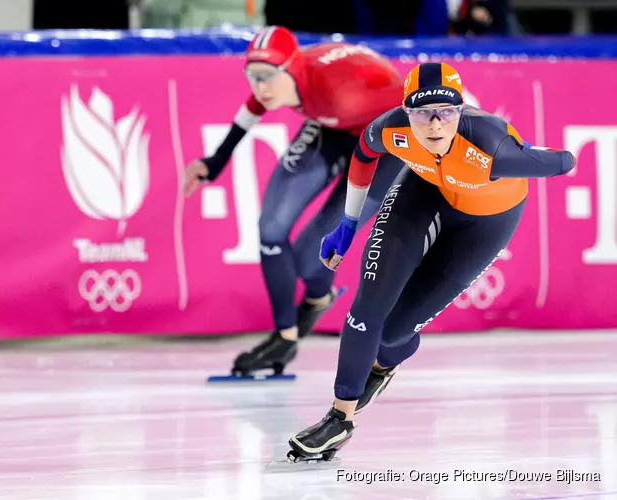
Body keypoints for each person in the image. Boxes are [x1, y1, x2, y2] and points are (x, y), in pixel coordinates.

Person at [285, 61, 576, 461]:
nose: (435, 125)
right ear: (406, 112)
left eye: (446, 112)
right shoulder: (390, 128)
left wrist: (532, 154)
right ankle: (339, 420)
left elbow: (564, 161)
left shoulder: (491, 147)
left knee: (392, 334)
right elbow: (363, 155)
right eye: (423, 113)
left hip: (485, 224)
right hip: (422, 193)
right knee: (365, 310)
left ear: (460, 110)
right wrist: (348, 224)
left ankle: (384, 368)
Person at [183, 26, 406, 377]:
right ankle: (285, 337)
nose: (261, 89)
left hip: (383, 142)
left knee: (309, 257)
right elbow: (254, 104)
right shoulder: (284, 79)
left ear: (292, 69)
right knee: (270, 228)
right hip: (331, 124)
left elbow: (409, 114)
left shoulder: (341, 95)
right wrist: (216, 161)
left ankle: (318, 295)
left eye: (268, 77)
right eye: (253, 77)